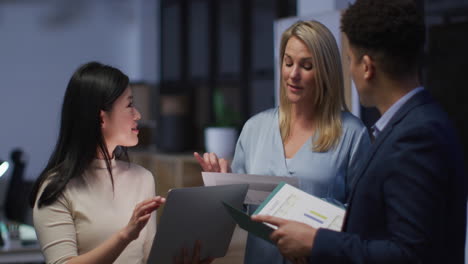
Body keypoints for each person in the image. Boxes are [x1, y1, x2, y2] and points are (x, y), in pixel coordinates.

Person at [253, 1, 467, 263]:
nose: (350, 71)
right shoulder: (419, 123)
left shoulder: (416, 135)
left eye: (350, 60)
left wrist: (316, 242)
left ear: (366, 67)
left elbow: (411, 254)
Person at [195, 20, 370, 264]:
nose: (293, 74)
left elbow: (364, 220)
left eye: (306, 66)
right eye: (288, 63)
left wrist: (316, 241)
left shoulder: (353, 134)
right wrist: (222, 186)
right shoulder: (254, 128)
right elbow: (242, 211)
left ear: (326, 72)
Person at [29, 62, 213, 264]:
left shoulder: (142, 178)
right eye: (129, 105)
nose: (138, 115)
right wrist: (125, 235)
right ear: (101, 117)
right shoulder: (57, 187)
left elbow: (149, 259)